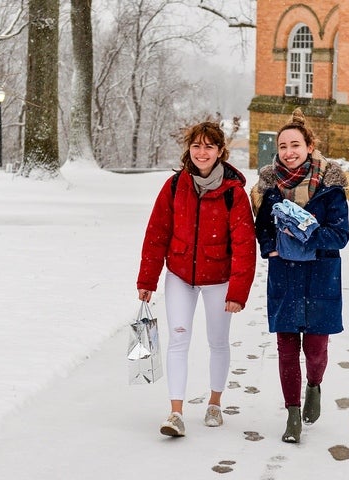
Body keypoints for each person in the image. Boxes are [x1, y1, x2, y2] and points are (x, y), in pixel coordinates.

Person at [137, 121, 257, 438]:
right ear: (189, 150)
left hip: (219, 278)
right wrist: (147, 280)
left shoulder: (234, 194)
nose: (201, 152)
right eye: (196, 146)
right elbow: (156, 234)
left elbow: (245, 246)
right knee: (178, 340)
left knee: (217, 341)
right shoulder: (175, 186)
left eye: (208, 146)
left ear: (220, 152)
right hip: (179, 275)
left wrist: (238, 292)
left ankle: (215, 402)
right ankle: (176, 413)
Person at [251, 108, 349, 443]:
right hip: (283, 275)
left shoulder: (330, 186)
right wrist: (270, 247)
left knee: (315, 349)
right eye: (282, 146)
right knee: (286, 347)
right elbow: (262, 228)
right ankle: (292, 414)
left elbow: (340, 235)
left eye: (295, 144)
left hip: (320, 276)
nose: (288, 151)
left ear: (309, 146)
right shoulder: (269, 186)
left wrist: (306, 236)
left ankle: (315, 384)